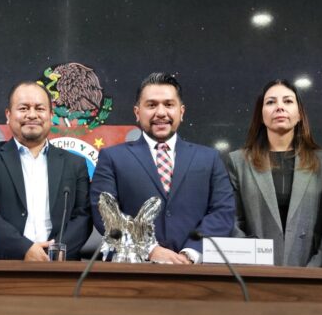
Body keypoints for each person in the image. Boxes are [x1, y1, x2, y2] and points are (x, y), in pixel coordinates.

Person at [90, 72, 235, 264]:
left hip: (195, 271)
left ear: (181, 112)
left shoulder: (209, 159)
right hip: (133, 270)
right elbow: (104, 212)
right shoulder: (112, 158)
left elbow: (223, 211)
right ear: (137, 112)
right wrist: (149, 249)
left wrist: (190, 253)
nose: (160, 113)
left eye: (169, 104)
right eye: (151, 105)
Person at [0, 81, 92, 260]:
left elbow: (83, 216)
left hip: (61, 266)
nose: (32, 115)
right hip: (4, 265)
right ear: (8, 115)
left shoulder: (75, 163)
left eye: (39, 108)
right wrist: (24, 249)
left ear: (51, 115)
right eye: (23, 108)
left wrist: (54, 253)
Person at [227, 79, 322, 267]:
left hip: (313, 271)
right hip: (256, 272)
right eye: (270, 102)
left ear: (299, 114)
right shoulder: (238, 162)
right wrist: (254, 264)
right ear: (261, 116)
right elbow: (232, 222)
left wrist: (314, 270)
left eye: (288, 101)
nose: (279, 107)